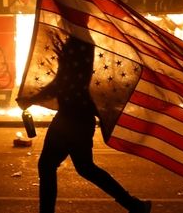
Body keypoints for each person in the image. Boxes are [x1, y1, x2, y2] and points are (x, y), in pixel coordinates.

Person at [20, 35, 151, 213]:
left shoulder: (79, 42)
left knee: (55, 165)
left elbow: (63, 82)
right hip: (75, 115)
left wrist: (33, 99)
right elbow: (63, 81)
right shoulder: (78, 40)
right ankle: (134, 205)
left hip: (73, 117)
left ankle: (134, 205)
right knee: (82, 168)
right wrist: (33, 99)